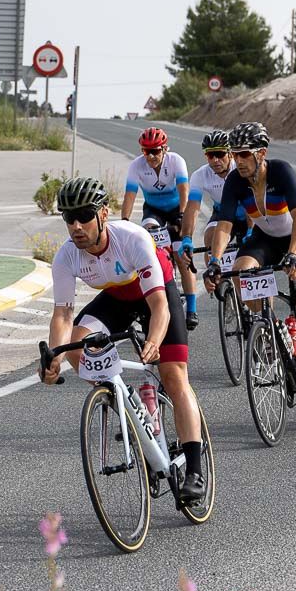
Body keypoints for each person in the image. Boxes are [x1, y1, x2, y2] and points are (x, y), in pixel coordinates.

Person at [41, 176, 206, 504]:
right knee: (78, 345)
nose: (76, 225)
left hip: (154, 293)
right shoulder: (66, 256)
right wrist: (55, 357)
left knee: (173, 376)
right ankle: (128, 408)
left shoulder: (132, 238)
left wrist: (155, 341)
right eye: (68, 218)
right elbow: (62, 314)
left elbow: (159, 306)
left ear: (103, 214)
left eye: (84, 216)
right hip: (116, 297)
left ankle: (195, 471)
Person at [204, 122, 296, 417]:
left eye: (244, 154)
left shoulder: (281, 171)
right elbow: (224, 225)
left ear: (261, 153)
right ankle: (272, 329)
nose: (238, 161)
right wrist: (214, 262)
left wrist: (293, 255)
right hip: (265, 237)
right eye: (234, 155)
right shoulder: (235, 181)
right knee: (241, 270)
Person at [121, 127, 195, 324]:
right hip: (153, 211)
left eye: (156, 151)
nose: (151, 156)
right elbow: (129, 195)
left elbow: (184, 191)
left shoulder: (176, 161)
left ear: (165, 149)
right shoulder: (136, 166)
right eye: (147, 151)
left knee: (182, 257)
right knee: (150, 248)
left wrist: (181, 216)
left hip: (176, 209)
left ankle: (192, 309)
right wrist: (125, 222)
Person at [178, 130, 249, 322]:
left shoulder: (239, 168)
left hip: (248, 212)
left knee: (249, 256)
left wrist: (251, 230)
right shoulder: (201, 175)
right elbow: (192, 209)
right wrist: (186, 239)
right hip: (223, 213)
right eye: (211, 155)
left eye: (220, 154)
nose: (215, 160)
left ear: (230, 153)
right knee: (210, 236)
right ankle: (222, 283)